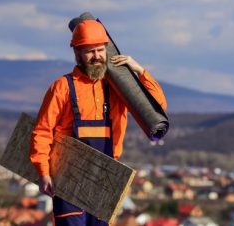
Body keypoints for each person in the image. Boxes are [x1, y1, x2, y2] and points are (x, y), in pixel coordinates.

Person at [30, 19, 167, 226]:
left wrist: (138, 70)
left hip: (105, 177)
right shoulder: (62, 87)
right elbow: (42, 132)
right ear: (77, 53)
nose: (96, 57)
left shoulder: (118, 88)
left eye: (100, 50)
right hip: (67, 176)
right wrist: (43, 172)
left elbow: (157, 106)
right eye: (89, 51)